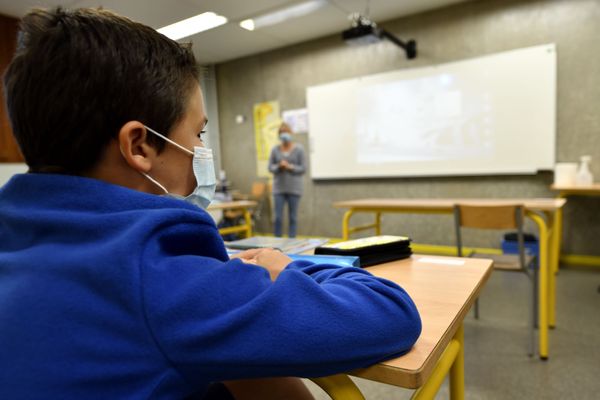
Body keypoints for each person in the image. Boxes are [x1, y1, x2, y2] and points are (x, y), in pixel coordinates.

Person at [0, 7, 421, 399]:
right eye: (198, 134)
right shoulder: (160, 278)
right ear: (140, 145)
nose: (202, 149)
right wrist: (285, 266)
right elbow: (392, 311)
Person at [268, 124, 306, 237]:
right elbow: (270, 167)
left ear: (291, 133)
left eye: (286, 132)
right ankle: (277, 241)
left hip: (294, 189)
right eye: (281, 132)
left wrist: (290, 167)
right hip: (278, 189)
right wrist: (279, 166)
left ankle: (292, 241)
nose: (284, 134)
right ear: (279, 135)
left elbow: (303, 168)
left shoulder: (299, 149)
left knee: (293, 217)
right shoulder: (275, 150)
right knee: (278, 217)